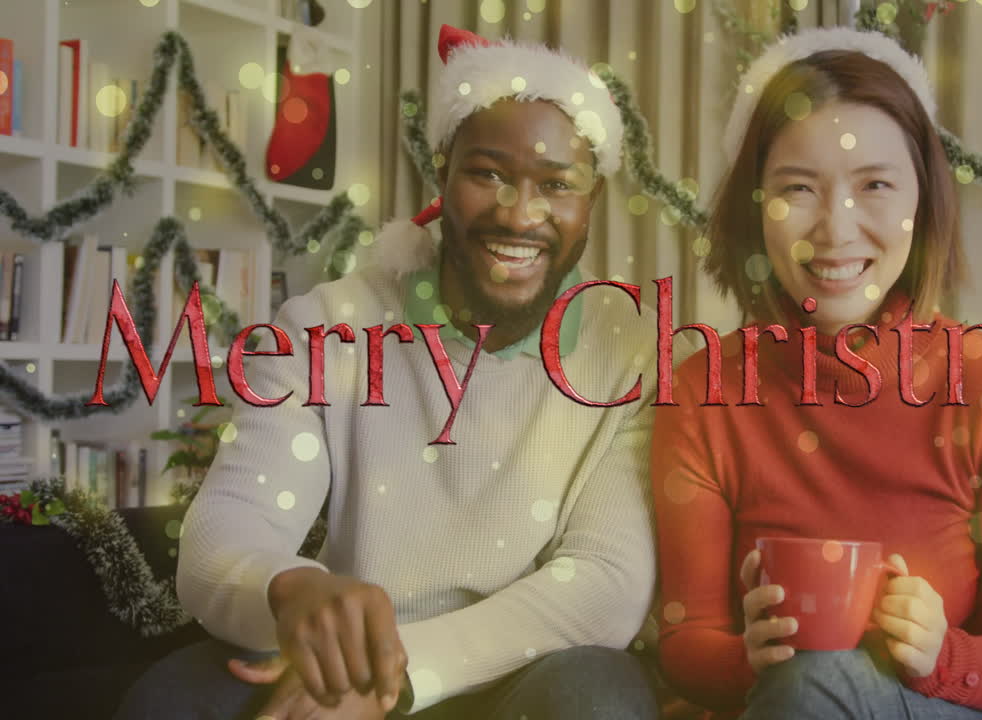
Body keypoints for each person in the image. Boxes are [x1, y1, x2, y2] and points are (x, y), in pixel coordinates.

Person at [116, 24, 679, 720]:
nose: (519, 212)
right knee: (170, 700)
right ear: (442, 171)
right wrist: (288, 586)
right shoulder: (326, 328)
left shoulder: (629, 353)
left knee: (599, 697)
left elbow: (606, 583)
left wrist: (399, 675)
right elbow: (225, 530)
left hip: (519, 672)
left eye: (556, 185)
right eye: (489, 173)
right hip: (347, 661)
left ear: (589, 202)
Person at [651, 27, 982, 720]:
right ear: (756, 208)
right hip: (781, 706)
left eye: (874, 184)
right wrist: (746, 657)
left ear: (921, 201)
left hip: (941, 708)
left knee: (814, 680)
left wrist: (947, 657)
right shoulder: (703, 392)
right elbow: (684, 639)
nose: (836, 230)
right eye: (798, 188)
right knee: (806, 679)